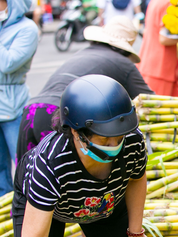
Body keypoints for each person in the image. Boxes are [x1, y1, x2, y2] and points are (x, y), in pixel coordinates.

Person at [12, 75, 165, 237]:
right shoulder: (50, 162)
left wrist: (136, 234)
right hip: (49, 211)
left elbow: (137, 178)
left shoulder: (132, 141)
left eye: (119, 137)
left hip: (105, 202)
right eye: (104, 139)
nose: (114, 145)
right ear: (76, 132)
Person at [17, 16, 153, 162]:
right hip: (60, 117)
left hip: (32, 110)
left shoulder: (84, 52)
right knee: (66, 176)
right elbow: (149, 100)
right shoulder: (124, 64)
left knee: (28, 176)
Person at [0, 0, 38, 200]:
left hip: (13, 108)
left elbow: (8, 63)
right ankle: (4, 214)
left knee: (24, 168)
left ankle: (25, 217)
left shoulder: (28, 29)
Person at [138, 0, 178, 97]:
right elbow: (163, 39)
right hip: (160, 67)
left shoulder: (156, 2)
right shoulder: (168, 4)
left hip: (152, 63)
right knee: (158, 108)